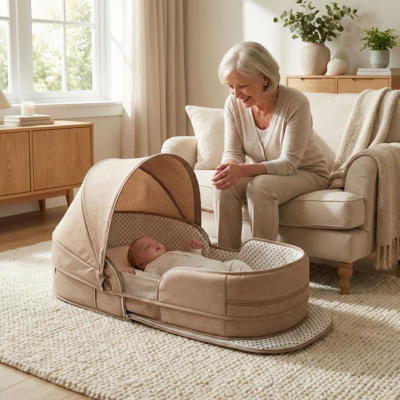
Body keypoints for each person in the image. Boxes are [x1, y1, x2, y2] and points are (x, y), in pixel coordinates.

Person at [212, 42, 330, 249]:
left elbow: (289, 163)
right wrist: (228, 169)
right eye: (231, 87)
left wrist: (243, 170)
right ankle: (226, 257)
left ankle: (262, 262)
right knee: (224, 185)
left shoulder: (296, 103)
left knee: (261, 187)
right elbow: (233, 152)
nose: (236, 94)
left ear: (264, 78)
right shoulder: (233, 104)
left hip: (306, 173)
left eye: (242, 86)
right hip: (266, 173)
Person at [123, 236, 253, 279]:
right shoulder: (152, 266)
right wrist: (135, 274)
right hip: (203, 273)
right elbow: (152, 279)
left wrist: (195, 250)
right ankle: (238, 286)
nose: (154, 244)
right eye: (147, 247)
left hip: (218, 265)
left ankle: (255, 279)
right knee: (220, 280)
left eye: (155, 241)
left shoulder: (171, 253)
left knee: (237, 264)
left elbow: (192, 259)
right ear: (141, 264)